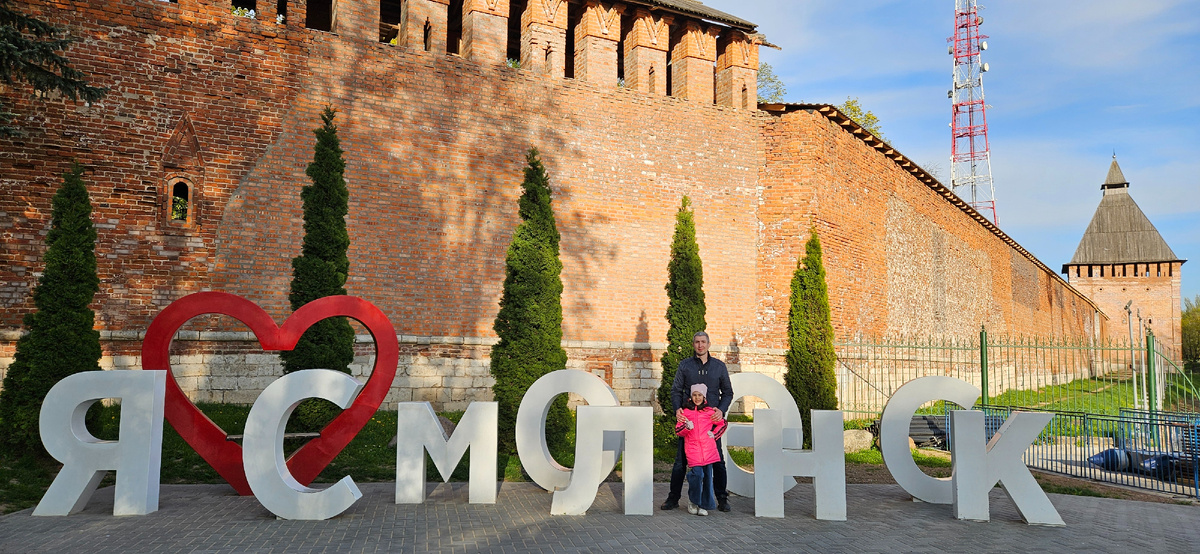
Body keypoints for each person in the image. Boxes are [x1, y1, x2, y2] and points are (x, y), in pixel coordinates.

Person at [660, 331, 734, 512]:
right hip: (690, 423)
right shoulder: (685, 366)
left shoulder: (719, 367)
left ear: (709, 344)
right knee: (680, 462)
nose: (700, 345)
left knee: (718, 461)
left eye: (703, 342)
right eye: (697, 342)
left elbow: (728, 393)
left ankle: (722, 498)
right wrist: (678, 409)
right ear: (693, 345)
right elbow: (676, 390)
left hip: (710, 423)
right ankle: (673, 498)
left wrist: (721, 410)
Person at [675, 383, 728, 515]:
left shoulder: (709, 411)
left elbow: (723, 423)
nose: (697, 398)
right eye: (694, 395)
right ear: (691, 397)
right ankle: (693, 501)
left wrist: (714, 434)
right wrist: (687, 427)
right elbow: (678, 430)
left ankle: (704, 505)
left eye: (700, 395)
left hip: (708, 450)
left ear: (704, 397)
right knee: (697, 475)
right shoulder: (686, 412)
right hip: (693, 450)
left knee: (707, 478)